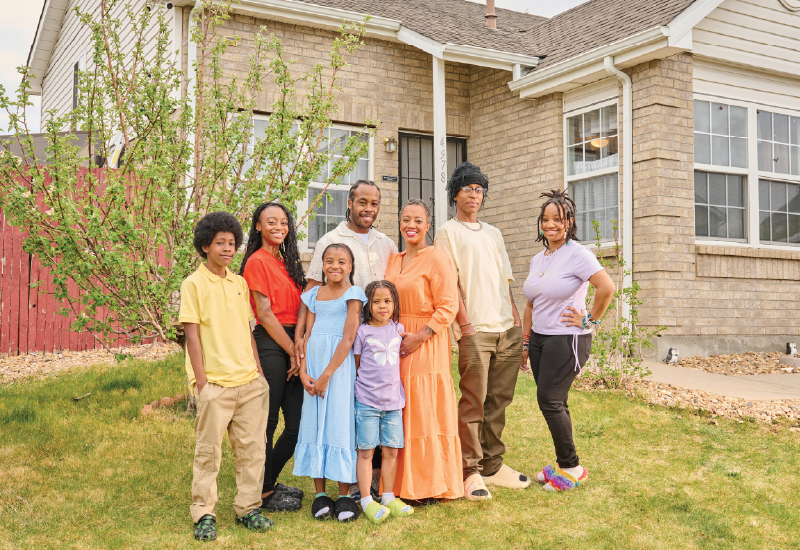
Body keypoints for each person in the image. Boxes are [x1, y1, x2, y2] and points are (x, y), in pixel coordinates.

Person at [295, 179, 398, 499]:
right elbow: (312, 290)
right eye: (362, 202)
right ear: (350, 202)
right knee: (349, 405)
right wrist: (300, 335)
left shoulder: (386, 244)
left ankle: (376, 476)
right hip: (342, 338)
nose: (368, 209)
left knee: (378, 400)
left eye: (374, 203)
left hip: (378, 337)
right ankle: (352, 480)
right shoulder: (332, 240)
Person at [434, 162, 529, 501]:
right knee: (473, 402)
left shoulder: (494, 233)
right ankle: (470, 471)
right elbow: (450, 283)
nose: (474, 194)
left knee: (499, 401)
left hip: (506, 327)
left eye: (478, 189)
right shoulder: (448, 232)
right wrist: (464, 325)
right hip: (475, 328)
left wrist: (516, 321)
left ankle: (493, 464)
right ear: (455, 194)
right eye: (467, 189)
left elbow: (506, 280)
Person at [180, 212, 272, 542]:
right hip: (215, 385)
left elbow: (248, 331)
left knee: (253, 452)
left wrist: (259, 374)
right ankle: (203, 513)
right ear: (206, 246)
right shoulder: (193, 284)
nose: (228, 249)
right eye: (220, 243)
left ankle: (248, 508)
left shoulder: (239, 282)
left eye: (232, 243)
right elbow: (191, 335)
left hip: (249, 383)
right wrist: (202, 383)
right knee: (208, 454)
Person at [521, 189, 615, 492]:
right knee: (555, 401)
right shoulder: (540, 257)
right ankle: (563, 463)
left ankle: (572, 467)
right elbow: (531, 303)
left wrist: (591, 319)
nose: (550, 225)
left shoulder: (579, 254)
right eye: (545, 219)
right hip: (539, 339)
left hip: (567, 340)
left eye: (558, 219)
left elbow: (606, 287)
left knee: (549, 400)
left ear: (569, 221)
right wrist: (525, 342)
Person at [385, 199, 463, 501]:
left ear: (428, 225)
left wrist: (420, 336)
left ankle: (428, 484)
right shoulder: (394, 259)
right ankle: (398, 481)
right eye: (406, 219)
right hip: (395, 341)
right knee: (399, 407)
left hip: (426, 341)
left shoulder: (437, 257)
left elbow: (448, 306)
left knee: (423, 407)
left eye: (418, 220)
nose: (411, 226)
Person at [293, 243, 366, 523]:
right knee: (315, 424)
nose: (335, 266)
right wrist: (304, 373)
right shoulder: (313, 295)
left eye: (342, 262)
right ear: (322, 265)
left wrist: (326, 375)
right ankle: (320, 494)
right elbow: (307, 336)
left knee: (338, 422)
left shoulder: (353, 294)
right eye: (329, 261)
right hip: (313, 365)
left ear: (351, 267)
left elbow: (348, 338)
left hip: (338, 368)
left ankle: (345, 494)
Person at [240, 202, 305, 512]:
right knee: (267, 425)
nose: (278, 226)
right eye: (271, 221)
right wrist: (293, 350)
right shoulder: (256, 261)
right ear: (258, 227)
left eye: (283, 221)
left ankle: (267, 481)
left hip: (294, 342)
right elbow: (264, 313)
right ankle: (262, 493)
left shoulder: (288, 262)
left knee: (296, 424)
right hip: (270, 344)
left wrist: (299, 348)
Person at [353, 280, 414, 523]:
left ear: (394, 304)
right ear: (369, 305)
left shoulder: (398, 329)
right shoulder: (362, 331)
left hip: (393, 403)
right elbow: (357, 365)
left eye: (387, 301)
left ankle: (388, 496)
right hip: (367, 402)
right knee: (366, 452)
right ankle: (367, 499)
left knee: (391, 451)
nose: (382, 306)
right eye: (376, 301)